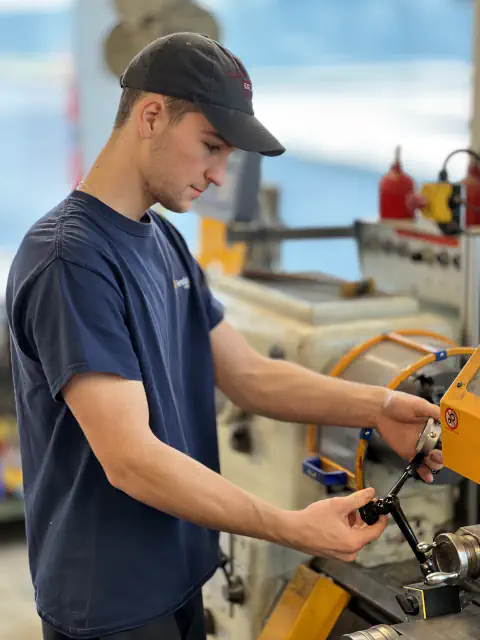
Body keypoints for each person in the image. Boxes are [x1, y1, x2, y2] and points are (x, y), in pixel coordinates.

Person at [6, 32, 442, 640]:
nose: (218, 175)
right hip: (108, 601)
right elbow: (130, 460)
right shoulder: (70, 260)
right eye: (211, 146)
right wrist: (292, 525)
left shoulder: (162, 241)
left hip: (178, 575)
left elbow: (249, 376)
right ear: (151, 115)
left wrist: (379, 406)